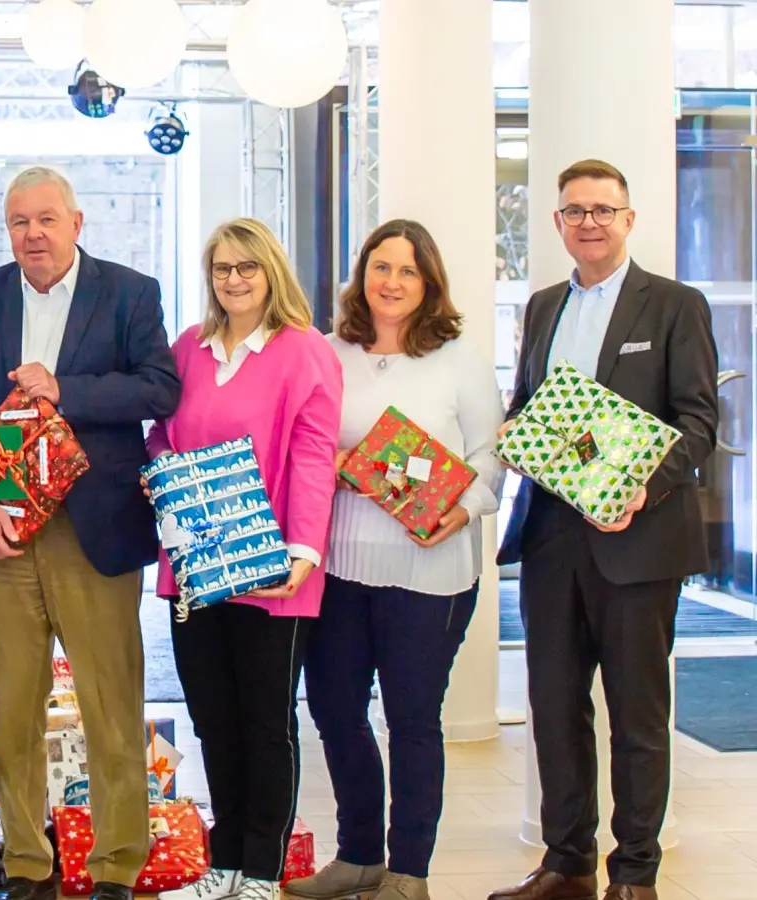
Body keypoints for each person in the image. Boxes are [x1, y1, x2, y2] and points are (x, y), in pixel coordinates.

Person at [0, 166, 181, 900]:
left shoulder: (130, 292)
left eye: (46, 219)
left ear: (76, 223)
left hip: (92, 528)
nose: (32, 234)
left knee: (109, 706)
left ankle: (116, 867)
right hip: (4, 528)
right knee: (11, 707)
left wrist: (66, 390)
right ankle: (26, 863)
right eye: (19, 222)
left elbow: (159, 387)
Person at [488, 160, 717, 900]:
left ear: (628, 219)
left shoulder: (675, 305)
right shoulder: (543, 306)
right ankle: (568, 864)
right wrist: (516, 434)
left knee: (638, 716)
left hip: (638, 543)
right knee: (555, 710)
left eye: (603, 210)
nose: (589, 222)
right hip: (551, 537)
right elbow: (528, 405)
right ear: (557, 222)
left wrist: (642, 488)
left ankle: (636, 874)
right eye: (575, 211)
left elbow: (699, 422)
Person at [284, 220, 504, 900]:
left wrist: (463, 509)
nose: (392, 282)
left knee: (412, 720)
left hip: (428, 569)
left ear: (429, 281)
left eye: (408, 270)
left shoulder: (459, 357)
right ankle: (358, 856)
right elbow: (300, 440)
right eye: (381, 267)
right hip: (338, 567)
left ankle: (409, 870)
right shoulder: (328, 352)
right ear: (362, 275)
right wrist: (335, 461)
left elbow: (491, 454)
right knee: (334, 711)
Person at [145, 218, 341, 900]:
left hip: (273, 570)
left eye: (246, 267)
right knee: (212, 718)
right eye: (222, 268)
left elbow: (315, 453)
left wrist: (304, 548)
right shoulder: (188, 348)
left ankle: (261, 869)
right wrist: (165, 471)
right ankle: (222, 863)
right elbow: (160, 435)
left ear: (270, 273)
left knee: (265, 723)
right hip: (197, 569)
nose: (233, 279)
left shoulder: (304, 351)